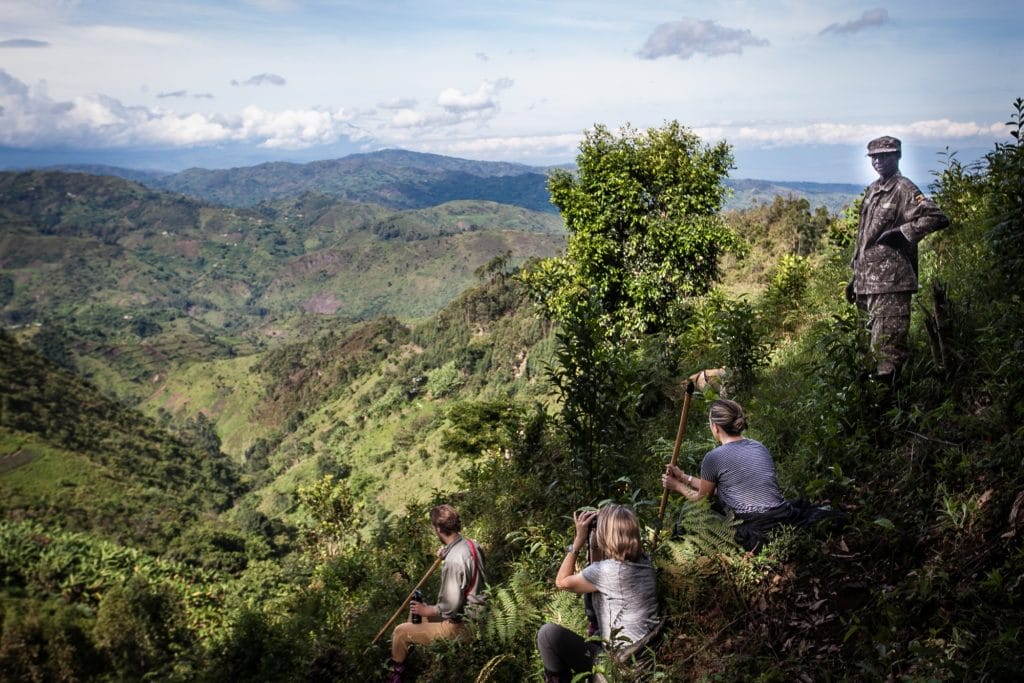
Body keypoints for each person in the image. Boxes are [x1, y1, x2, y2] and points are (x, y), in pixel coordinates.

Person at [662, 399, 837, 552]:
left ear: (715, 427)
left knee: (689, 511)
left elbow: (702, 501)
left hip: (755, 526)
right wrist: (684, 477)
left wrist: (677, 486)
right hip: (782, 515)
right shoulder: (758, 446)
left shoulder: (713, 458)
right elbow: (724, 490)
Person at [846, 135, 949, 383]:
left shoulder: (903, 188)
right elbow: (865, 239)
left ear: (897, 156)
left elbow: (937, 216)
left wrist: (903, 233)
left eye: (885, 155)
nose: (879, 161)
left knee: (888, 351)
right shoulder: (873, 190)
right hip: (867, 284)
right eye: (875, 157)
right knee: (869, 350)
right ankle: (872, 409)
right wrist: (855, 279)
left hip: (892, 282)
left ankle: (893, 407)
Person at [536, 504, 660, 683]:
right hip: (644, 658)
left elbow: (561, 581)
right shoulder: (646, 564)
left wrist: (578, 541)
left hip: (618, 667)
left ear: (607, 535)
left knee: (547, 635)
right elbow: (599, 566)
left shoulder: (607, 572)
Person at [387, 504, 486, 683]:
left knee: (400, 632)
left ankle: (396, 675)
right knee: (414, 614)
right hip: (481, 616)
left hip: (463, 626)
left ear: (438, 528)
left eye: (434, 527)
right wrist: (446, 553)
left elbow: (450, 608)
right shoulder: (472, 545)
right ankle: (420, 655)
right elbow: (465, 565)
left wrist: (428, 610)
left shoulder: (454, 561)